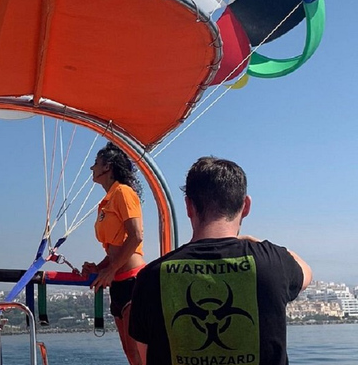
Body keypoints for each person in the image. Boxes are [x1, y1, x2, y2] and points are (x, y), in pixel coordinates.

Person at [129, 157, 312, 365]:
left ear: (188, 206)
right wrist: (254, 242)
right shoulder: (272, 263)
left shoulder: (150, 277)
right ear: (246, 207)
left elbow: (144, 357)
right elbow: (306, 271)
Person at [82, 142, 145, 365]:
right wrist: (100, 268)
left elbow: (135, 236)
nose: (92, 168)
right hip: (118, 280)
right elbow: (116, 246)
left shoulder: (124, 193)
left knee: (138, 351)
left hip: (133, 280)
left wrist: (110, 270)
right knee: (129, 352)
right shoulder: (107, 200)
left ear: (107, 167)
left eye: (96, 164)